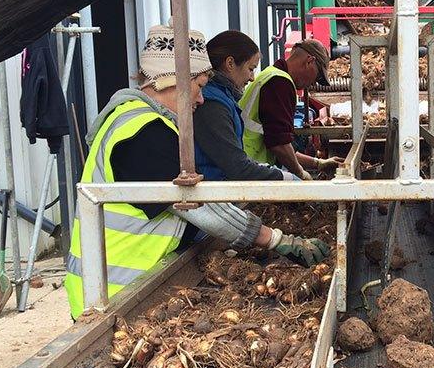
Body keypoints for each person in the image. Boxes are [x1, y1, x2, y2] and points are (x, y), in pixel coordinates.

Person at [64, 24, 330, 319]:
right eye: (200, 86)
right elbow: (199, 207)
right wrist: (277, 240)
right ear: (171, 80)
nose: (202, 99)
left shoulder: (136, 119)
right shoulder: (143, 132)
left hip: (123, 287)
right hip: (114, 293)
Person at [194, 30, 295, 182]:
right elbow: (236, 167)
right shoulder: (212, 105)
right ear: (230, 63)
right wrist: (287, 178)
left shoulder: (223, 97)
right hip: (214, 194)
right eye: (251, 68)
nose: (252, 77)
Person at [239, 39, 343, 180]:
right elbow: (279, 144)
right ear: (309, 61)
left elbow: (283, 144)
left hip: (248, 164)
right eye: (317, 76)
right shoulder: (280, 83)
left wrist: (318, 163)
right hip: (249, 168)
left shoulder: (271, 74)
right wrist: (301, 174)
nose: (313, 83)